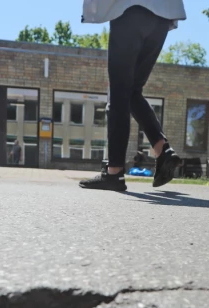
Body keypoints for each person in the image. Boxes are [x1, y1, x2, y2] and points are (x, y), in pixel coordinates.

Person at [79, 0, 186, 192]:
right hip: (162, 15)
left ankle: (114, 173)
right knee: (132, 90)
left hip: (130, 10)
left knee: (119, 91)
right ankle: (163, 150)